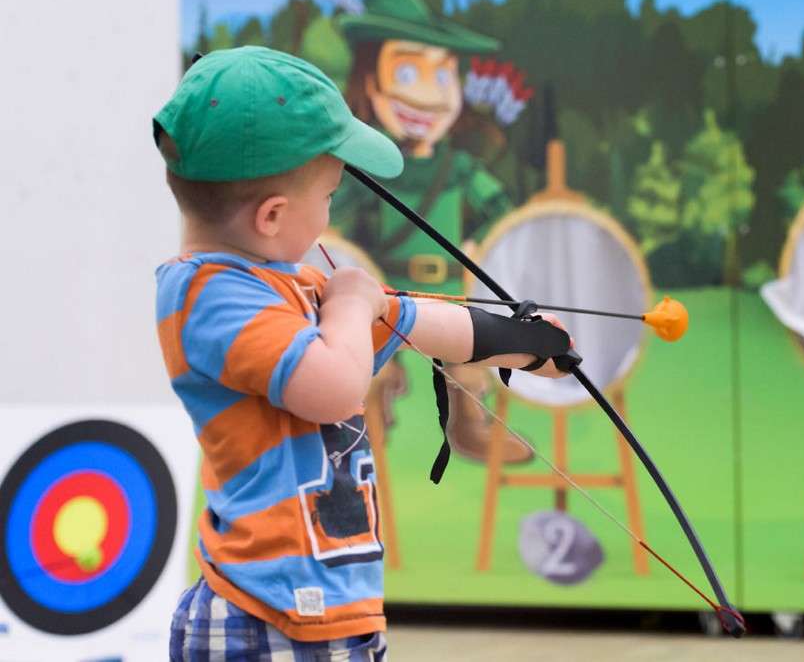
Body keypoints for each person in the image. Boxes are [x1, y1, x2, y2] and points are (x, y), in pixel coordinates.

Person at [154, 46, 575, 659]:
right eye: (329, 194)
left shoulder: (291, 286)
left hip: (331, 613)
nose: (332, 210)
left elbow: (417, 322)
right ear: (272, 216)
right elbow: (332, 389)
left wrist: (524, 343)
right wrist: (353, 303)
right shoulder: (209, 297)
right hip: (265, 617)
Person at [335, 0, 532, 466]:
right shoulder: (366, 171)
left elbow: (503, 218)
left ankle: (469, 425)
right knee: (369, 365)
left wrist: (482, 250)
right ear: (369, 81)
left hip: (449, 293)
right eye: (407, 73)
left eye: (442, 75)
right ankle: (366, 427)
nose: (427, 94)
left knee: (471, 360)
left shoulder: (458, 169)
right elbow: (330, 228)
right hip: (384, 299)